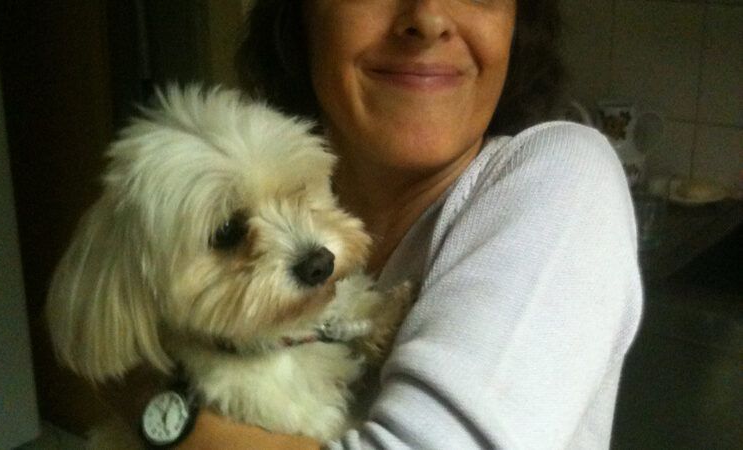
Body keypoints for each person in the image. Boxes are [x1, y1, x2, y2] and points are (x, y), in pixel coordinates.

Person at [130, 0, 642, 448]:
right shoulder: (243, 182)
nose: (429, 18)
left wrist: (150, 408)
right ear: (301, 14)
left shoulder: (564, 176)